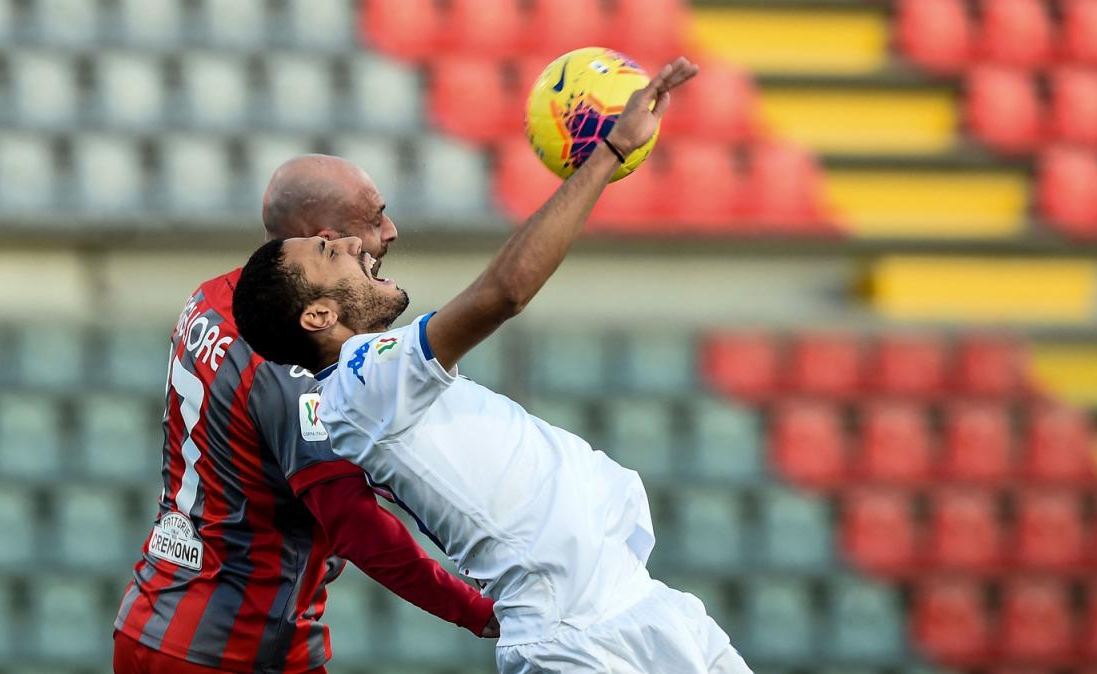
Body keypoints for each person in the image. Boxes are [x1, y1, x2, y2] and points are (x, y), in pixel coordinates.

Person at [232, 57, 751, 674]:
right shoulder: (361, 384)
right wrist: (607, 152)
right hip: (577, 638)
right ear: (317, 316)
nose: (352, 243)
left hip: (638, 602)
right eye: (327, 250)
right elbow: (502, 294)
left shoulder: (378, 376)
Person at [113, 155, 495, 674]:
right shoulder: (291, 369)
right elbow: (356, 526)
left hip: (154, 615)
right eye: (374, 218)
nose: (388, 232)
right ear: (327, 239)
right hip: (232, 648)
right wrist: (481, 613)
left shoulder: (211, 296)